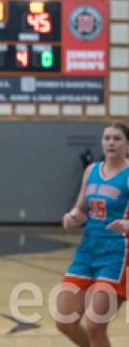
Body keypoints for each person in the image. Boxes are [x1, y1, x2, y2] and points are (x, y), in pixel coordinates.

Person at [56, 122, 129, 347]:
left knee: (95, 326)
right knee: (65, 321)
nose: (110, 143)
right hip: (87, 252)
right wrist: (72, 217)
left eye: (116, 138)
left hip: (116, 255)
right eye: (106, 138)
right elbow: (81, 210)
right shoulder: (91, 171)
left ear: (127, 144)